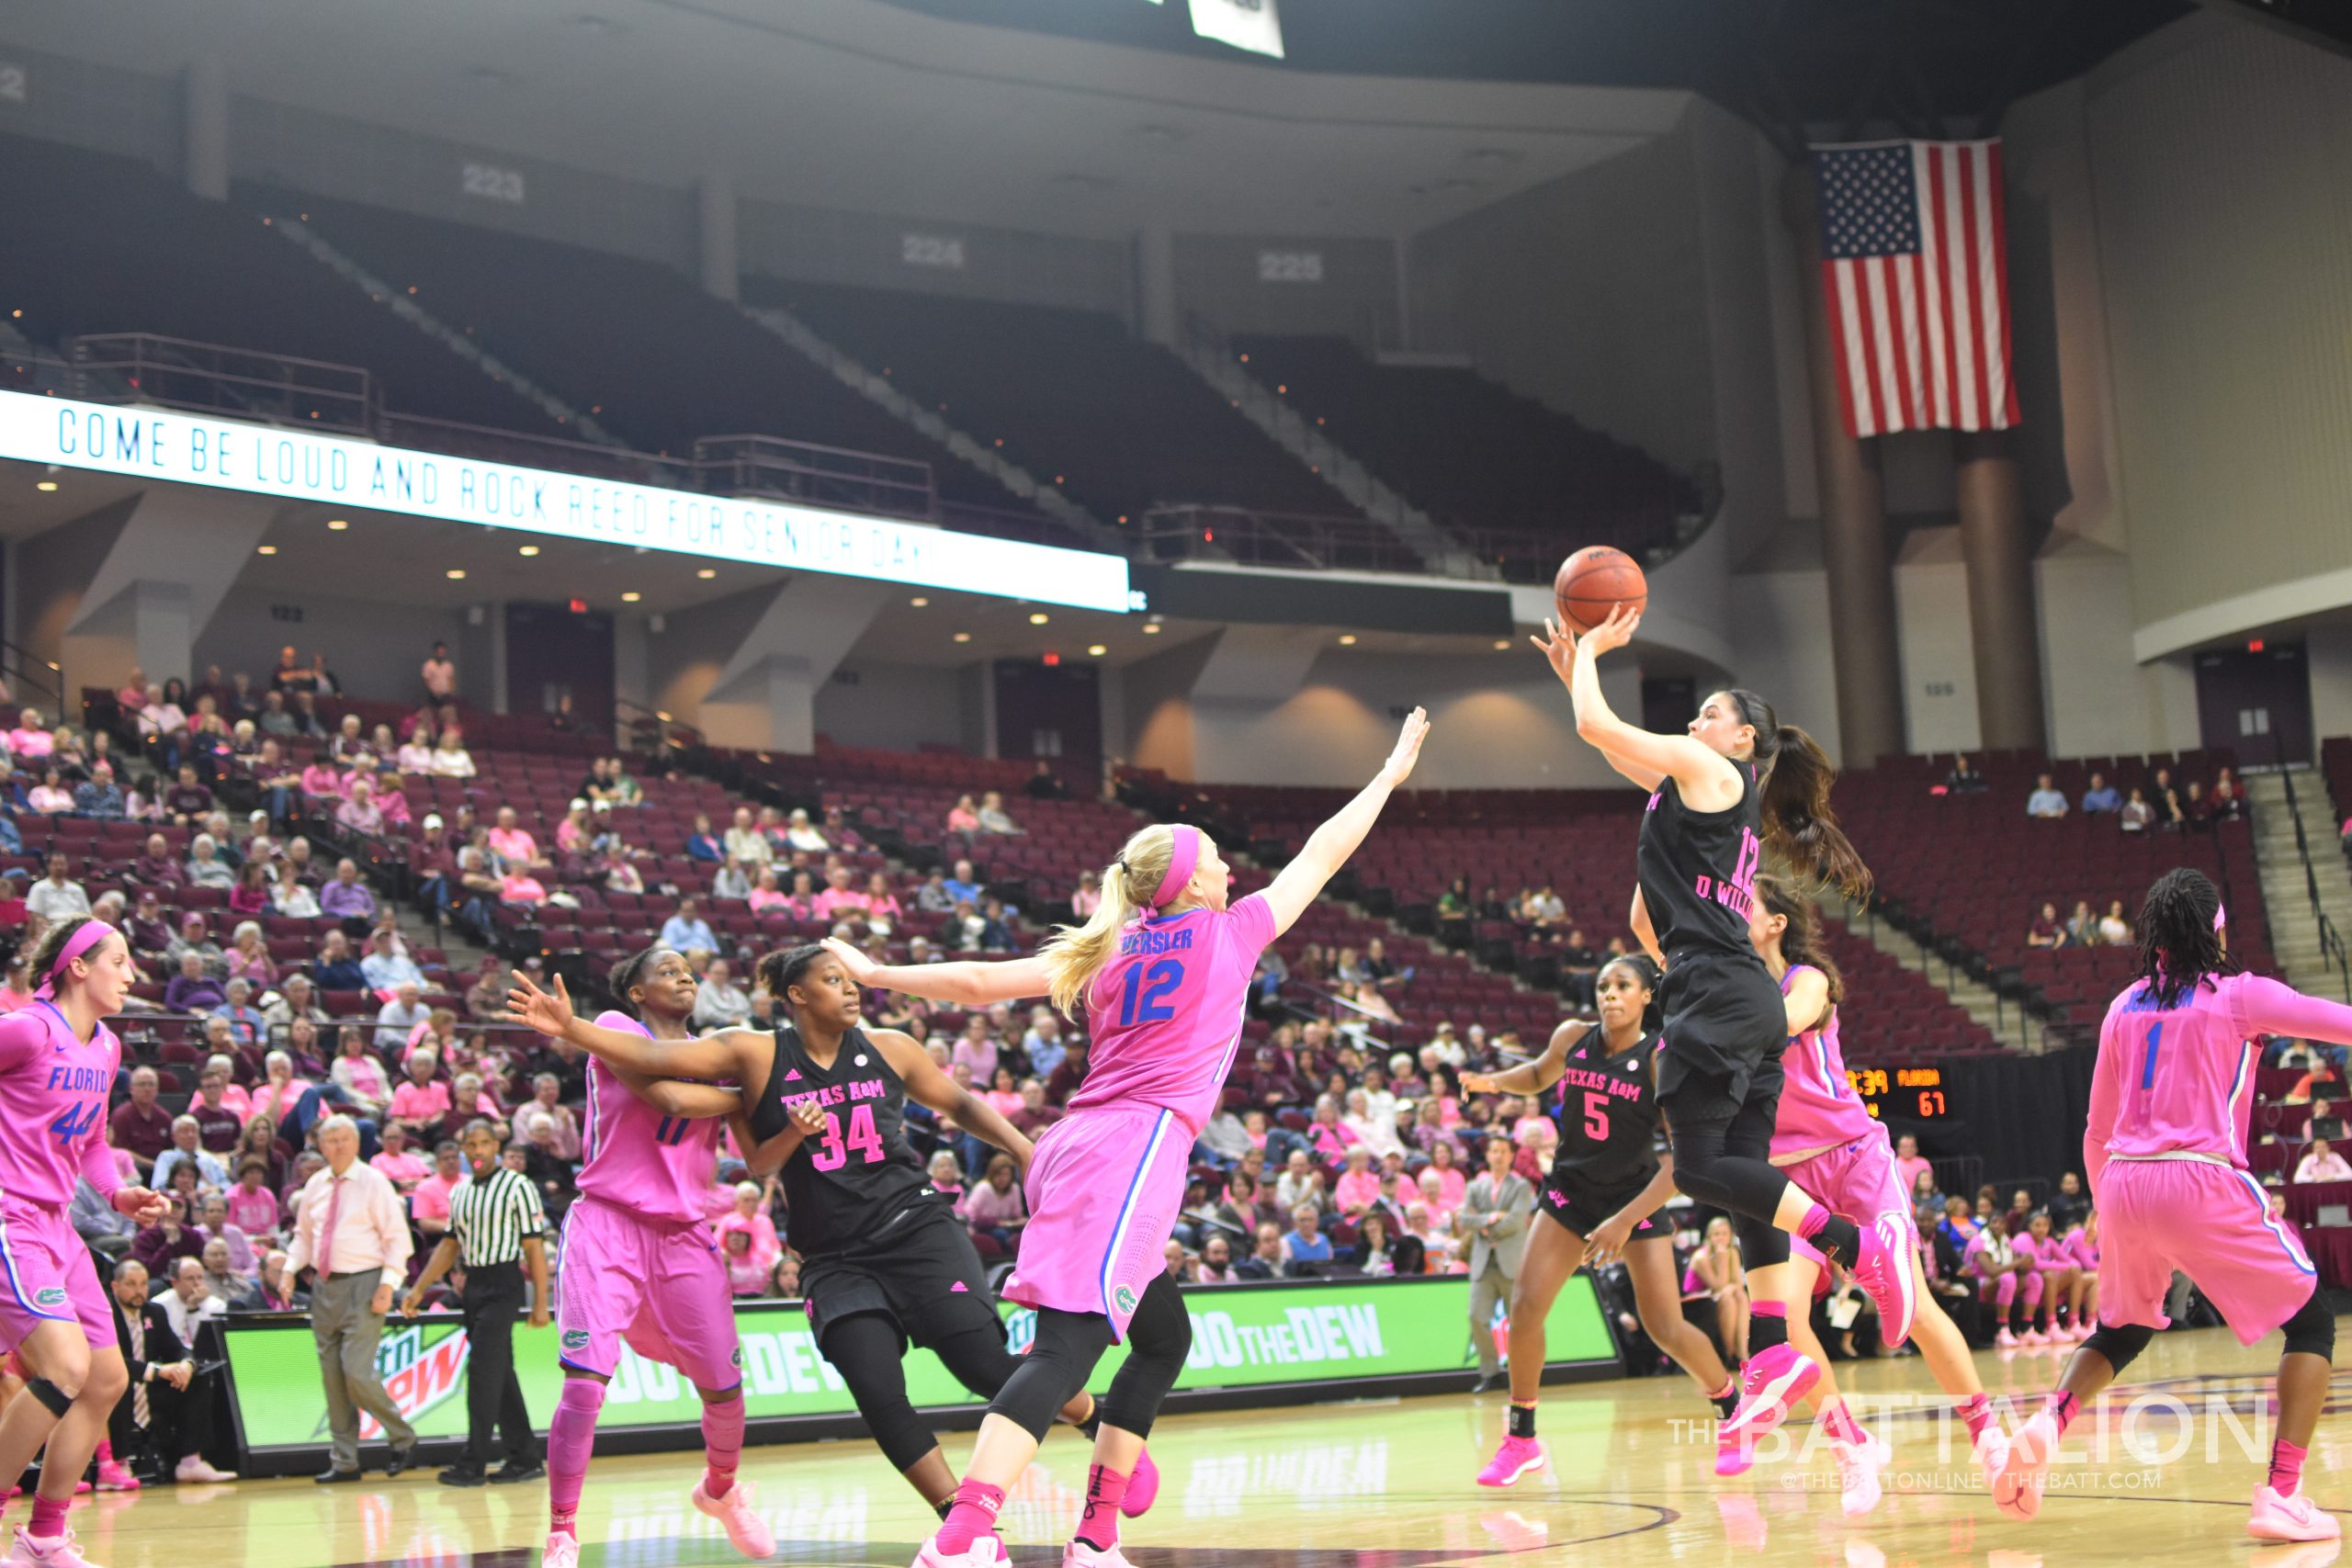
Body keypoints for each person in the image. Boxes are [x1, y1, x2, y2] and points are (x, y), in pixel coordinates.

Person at [805, 707, 1428, 1568]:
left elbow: (983, 982)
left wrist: (879, 972)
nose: (1227, 864)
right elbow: (1324, 850)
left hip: (1077, 1146)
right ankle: (964, 1533)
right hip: (1129, 1153)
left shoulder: (1109, 946)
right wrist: (1389, 776)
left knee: (1165, 1336)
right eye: (1214, 856)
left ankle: (1096, 1536)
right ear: (1193, 884)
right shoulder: (1232, 929)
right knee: (1068, 1347)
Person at [512, 945, 1124, 1520]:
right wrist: (569, 1026)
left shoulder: (892, 1044)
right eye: (833, 979)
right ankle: (962, 1522)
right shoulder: (753, 1053)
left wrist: (1023, 1149)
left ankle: (1100, 1419)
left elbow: (958, 1104)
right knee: (879, 1393)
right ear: (797, 995)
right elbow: (668, 1080)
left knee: (986, 1367)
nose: (851, 988)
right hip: (832, 1252)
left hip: (913, 1227)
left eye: (851, 978)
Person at [1532, 613, 1907, 1397]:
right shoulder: (1693, 784)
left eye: (1712, 712)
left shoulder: (1714, 773)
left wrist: (1595, 649)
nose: (1695, 718)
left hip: (1720, 993)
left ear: (1743, 742)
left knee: (1703, 1171)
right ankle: (1773, 1350)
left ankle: (1853, 1246)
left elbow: (1597, 721)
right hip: (1731, 992)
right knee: (1737, 1174)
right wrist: (1576, 674)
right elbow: (1603, 740)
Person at [1995, 868, 2352, 1542]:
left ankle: (2051, 1419)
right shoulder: (2241, 996)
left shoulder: (2123, 1004)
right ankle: (2282, 1491)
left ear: (2152, 938)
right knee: (2311, 1322)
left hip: (2125, 1179)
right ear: (2217, 931)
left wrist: (2110, 1208)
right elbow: (2337, 1022)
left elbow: (2096, 1129)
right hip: (2199, 1174)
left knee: (2124, 1329)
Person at [1741, 874, 2007, 1511]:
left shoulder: (1806, 979)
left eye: (1742, 902)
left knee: (1913, 1308)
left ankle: (1986, 1431)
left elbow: (1782, 1023)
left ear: (1776, 921)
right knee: (1788, 1324)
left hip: (1853, 1155)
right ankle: (1850, 1446)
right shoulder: (1728, 987)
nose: (1728, 909)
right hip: (1785, 1177)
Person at [495, 949, 769, 1568]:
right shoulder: (619, 1030)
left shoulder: (716, 1051)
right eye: (668, 969)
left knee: (725, 1389)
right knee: (586, 1382)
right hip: (609, 1221)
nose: (685, 976)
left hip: (683, 1233)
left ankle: (721, 1490)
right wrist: (739, 1093)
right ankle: (563, 1530)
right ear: (637, 991)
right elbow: (669, 1097)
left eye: (689, 970)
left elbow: (759, 1158)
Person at [1461, 956, 1743, 1484]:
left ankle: (1733, 1411)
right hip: (1571, 1191)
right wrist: (1492, 1083)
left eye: (1622, 987)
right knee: (1523, 1309)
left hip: (1636, 1198)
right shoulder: (1573, 1037)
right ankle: (1522, 1438)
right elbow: (1539, 1074)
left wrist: (1624, 1222)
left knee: (1664, 1327)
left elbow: (1682, 1163)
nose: (1609, 996)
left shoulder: (1660, 1058)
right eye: (1602, 987)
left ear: (1645, 998)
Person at [0, 919, 171, 1564]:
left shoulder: (105, 1047)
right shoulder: (27, 1028)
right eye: (120, 961)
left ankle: (43, 1536)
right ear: (78, 966)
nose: (131, 974)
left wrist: (118, 1193)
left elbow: (93, 1141)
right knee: (64, 1366)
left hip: (57, 1222)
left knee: (105, 1377)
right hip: (9, 1218)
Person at [401, 1118, 551, 1486]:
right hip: (474, 1285)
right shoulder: (462, 1192)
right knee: (500, 1373)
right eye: (472, 1145)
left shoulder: (518, 1186)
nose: (479, 1150)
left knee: (482, 1371)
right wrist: (419, 1290)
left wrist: (541, 1303)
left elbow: (533, 1247)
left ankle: (473, 1462)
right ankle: (525, 1458)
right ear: (464, 1149)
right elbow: (450, 1244)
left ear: (495, 1146)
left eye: (485, 1143)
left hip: (504, 1282)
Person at [286, 1114, 417, 1483]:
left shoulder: (374, 1182)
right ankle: (345, 1461)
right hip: (324, 1285)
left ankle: (402, 1435)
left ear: (357, 1143)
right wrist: (288, 1269)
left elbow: (397, 1239)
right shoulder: (315, 1184)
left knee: (356, 1372)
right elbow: (304, 1236)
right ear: (322, 1145)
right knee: (333, 1379)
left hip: (366, 1283)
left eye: (345, 1139)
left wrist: (388, 1284)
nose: (339, 1146)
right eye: (331, 1140)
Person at [107, 1258, 235, 1485]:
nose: (139, 1291)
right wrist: (156, 1371)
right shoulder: (104, 1314)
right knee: (119, 1383)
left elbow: (176, 1347)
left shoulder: (154, 1312)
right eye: (131, 1284)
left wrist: (186, 1364)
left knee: (199, 1379)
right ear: (115, 1286)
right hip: (119, 1384)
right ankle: (120, 1463)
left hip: (149, 1390)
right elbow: (108, 1360)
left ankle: (191, 1461)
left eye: (144, 1284)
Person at [1454, 1134, 1532, 1396]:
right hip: (1483, 1264)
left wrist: (1487, 1228)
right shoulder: (1475, 1187)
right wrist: (1490, 1218)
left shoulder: (1521, 1186)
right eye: (1494, 1151)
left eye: (1503, 1151)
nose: (1498, 1155)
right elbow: (1465, 1219)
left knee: (1520, 1322)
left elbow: (1516, 1220)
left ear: (1510, 1156)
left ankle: (1522, 1373)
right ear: (1487, 1156)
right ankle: (1490, 1373)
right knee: (1476, 1316)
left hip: (1512, 1263)